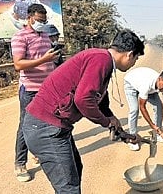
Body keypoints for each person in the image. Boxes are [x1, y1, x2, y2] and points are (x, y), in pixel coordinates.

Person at [21, 30, 145, 193]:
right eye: (136, 58)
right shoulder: (102, 60)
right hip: (45, 128)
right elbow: (83, 99)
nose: (134, 63)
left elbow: (99, 101)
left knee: (75, 172)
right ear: (129, 54)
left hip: (53, 127)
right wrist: (106, 121)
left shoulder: (102, 60)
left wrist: (121, 131)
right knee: (68, 187)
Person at [11, 3, 60, 182]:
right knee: (26, 125)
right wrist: (44, 59)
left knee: (46, 123)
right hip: (29, 89)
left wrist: (53, 61)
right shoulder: (20, 37)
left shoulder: (46, 34)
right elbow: (18, 64)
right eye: (39, 20)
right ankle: (20, 163)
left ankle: (38, 153)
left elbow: (50, 61)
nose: (42, 22)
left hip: (47, 88)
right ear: (29, 17)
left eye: (44, 19)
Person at [124, 67, 163, 151]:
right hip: (131, 84)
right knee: (134, 109)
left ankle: (157, 134)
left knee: (159, 106)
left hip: (150, 89)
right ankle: (132, 138)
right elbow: (142, 107)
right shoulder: (146, 84)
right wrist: (152, 125)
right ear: (160, 79)